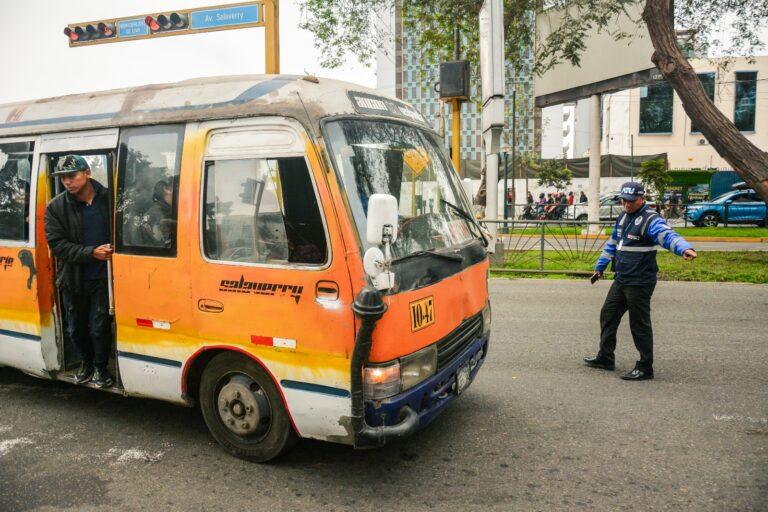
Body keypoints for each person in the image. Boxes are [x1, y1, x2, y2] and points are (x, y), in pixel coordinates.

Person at [584, 182, 697, 381]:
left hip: (640, 281)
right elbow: (613, 244)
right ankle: (605, 357)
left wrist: (683, 248)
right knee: (607, 315)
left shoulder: (650, 219)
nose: (626, 205)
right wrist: (601, 265)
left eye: (631, 201)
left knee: (639, 324)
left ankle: (645, 367)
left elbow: (667, 235)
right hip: (622, 278)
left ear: (641, 198)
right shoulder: (623, 217)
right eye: (623, 201)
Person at [45, 155, 114, 388]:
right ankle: (85, 362)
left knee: (99, 325)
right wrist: (91, 253)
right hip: (73, 278)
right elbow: (57, 245)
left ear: (87, 173)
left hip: (103, 276)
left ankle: (101, 368)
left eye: (72, 176)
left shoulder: (109, 199)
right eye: (63, 178)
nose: (67, 182)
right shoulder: (55, 207)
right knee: (76, 327)